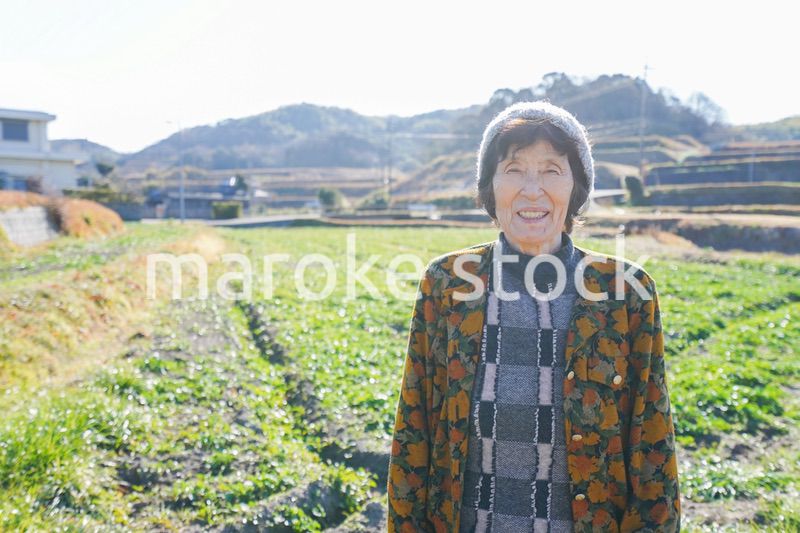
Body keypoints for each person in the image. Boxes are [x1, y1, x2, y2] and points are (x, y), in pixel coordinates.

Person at [387, 101, 681, 532]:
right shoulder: (448, 284)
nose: (531, 190)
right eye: (513, 169)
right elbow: (414, 432)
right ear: (490, 185)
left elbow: (653, 445)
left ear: (576, 186)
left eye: (551, 170)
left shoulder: (625, 293)